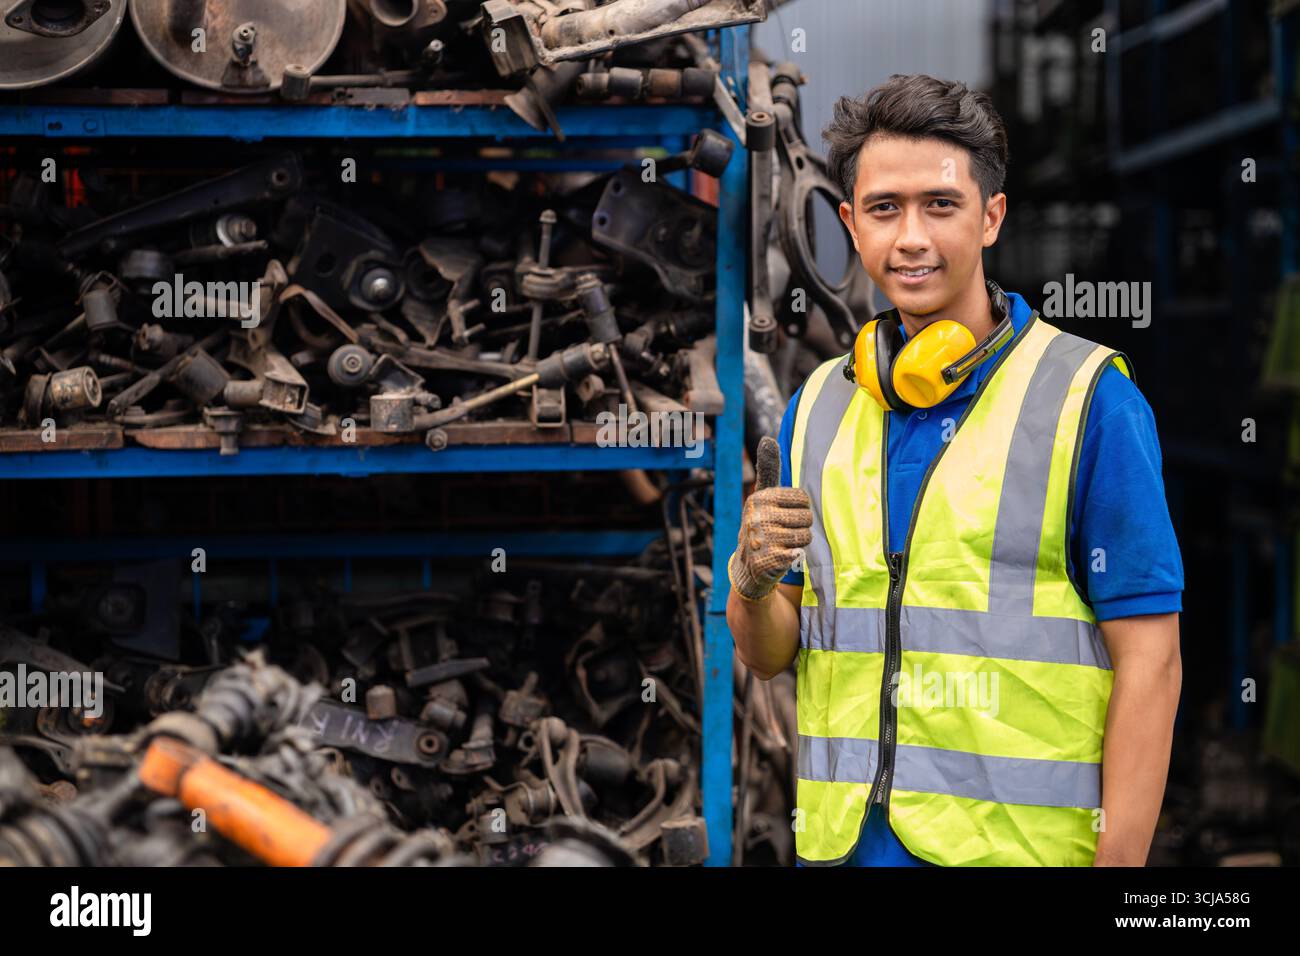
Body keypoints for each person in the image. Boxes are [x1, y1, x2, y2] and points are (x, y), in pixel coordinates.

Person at [726, 74, 1183, 867]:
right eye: (883, 208)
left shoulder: (1088, 400)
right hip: (841, 853)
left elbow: (1153, 659)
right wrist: (750, 581)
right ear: (849, 223)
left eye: (940, 205)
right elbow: (769, 655)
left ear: (991, 216)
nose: (911, 238)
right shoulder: (816, 411)